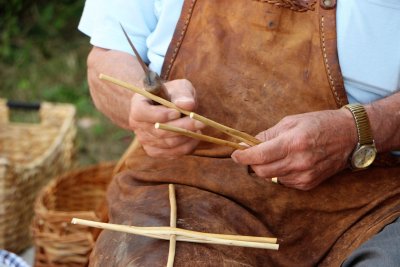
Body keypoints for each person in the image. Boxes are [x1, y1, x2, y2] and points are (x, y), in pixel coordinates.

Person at [79, 0, 400, 266]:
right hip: (187, 187)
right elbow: (108, 58)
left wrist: (356, 129)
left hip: (366, 198)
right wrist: (141, 103)